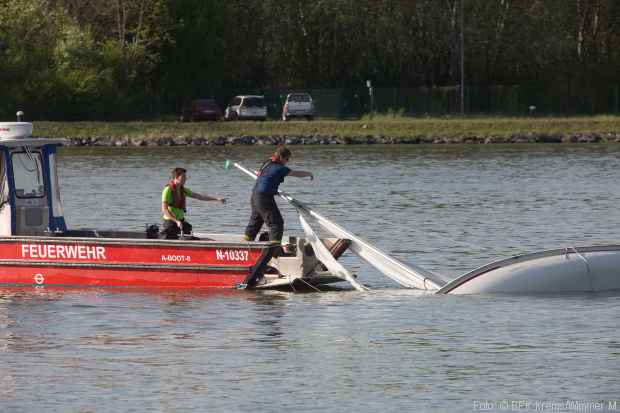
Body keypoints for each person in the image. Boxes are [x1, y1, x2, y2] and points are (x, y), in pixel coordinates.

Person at [244, 146, 313, 243]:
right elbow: (295, 173)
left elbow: (266, 178)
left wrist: (273, 190)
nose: (287, 161)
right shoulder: (279, 168)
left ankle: (246, 242)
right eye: (287, 159)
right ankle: (274, 249)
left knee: (256, 222)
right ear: (281, 157)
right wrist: (309, 173)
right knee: (276, 223)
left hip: (255, 196)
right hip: (264, 198)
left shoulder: (267, 163)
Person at [161, 167, 226, 239]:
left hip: (180, 222)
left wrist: (217, 199)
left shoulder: (183, 190)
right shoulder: (167, 190)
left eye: (185, 177)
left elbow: (199, 196)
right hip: (170, 222)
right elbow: (165, 210)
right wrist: (176, 221)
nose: (185, 179)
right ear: (176, 177)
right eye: (183, 177)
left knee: (188, 229)